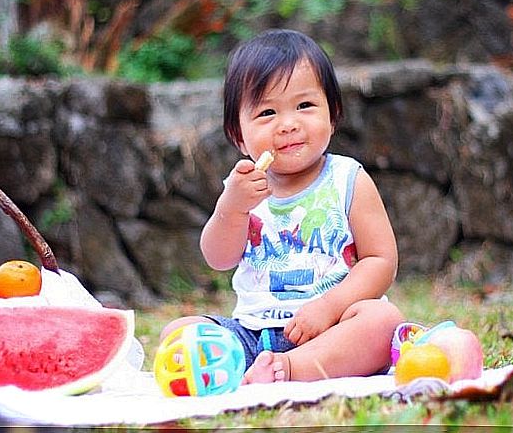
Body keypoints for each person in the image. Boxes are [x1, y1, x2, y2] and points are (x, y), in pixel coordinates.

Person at [160, 28, 404, 383]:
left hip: (332, 328)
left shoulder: (347, 179)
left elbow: (382, 262)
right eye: (267, 113)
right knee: (178, 332)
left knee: (382, 322)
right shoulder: (243, 189)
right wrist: (231, 208)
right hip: (253, 334)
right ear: (238, 135)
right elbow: (218, 258)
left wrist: (329, 307)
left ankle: (290, 369)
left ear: (332, 114)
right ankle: (259, 367)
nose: (288, 124)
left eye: (304, 106)